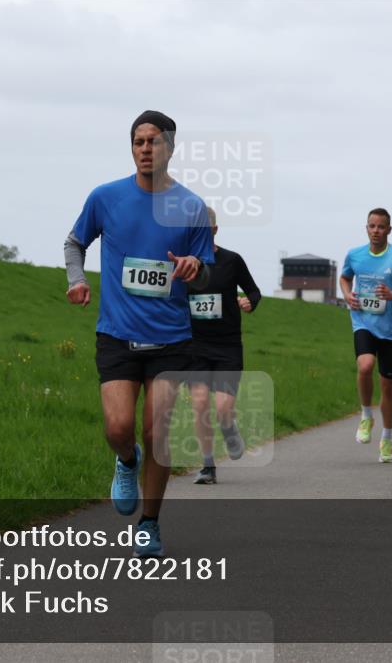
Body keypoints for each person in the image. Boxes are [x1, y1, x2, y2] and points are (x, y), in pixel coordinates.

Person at [64, 110, 214, 557]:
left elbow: (205, 273)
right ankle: (124, 461)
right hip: (117, 333)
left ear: (170, 147)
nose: (146, 148)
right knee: (119, 427)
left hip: (171, 338)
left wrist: (194, 268)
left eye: (154, 141)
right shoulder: (105, 197)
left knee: (158, 433)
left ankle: (149, 524)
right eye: (138, 141)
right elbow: (76, 242)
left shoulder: (191, 208)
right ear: (132, 148)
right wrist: (77, 278)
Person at [188, 207, 262, 485]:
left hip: (228, 346)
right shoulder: (184, 265)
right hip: (195, 345)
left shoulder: (232, 261)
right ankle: (208, 467)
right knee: (198, 404)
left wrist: (249, 302)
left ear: (215, 230)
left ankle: (230, 429)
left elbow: (254, 291)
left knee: (222, 409)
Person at [340, 208, 392, 463]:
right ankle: (366, 415)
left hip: (390, 331)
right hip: (362, 321)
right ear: (366, 228)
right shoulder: (354, 254)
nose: (376, 231)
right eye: (372, 226)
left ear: (389, 229)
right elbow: (344, 277)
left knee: (388, 386)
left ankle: (386, 437)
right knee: (365, 365)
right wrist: (347, 294)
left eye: (381, 227)